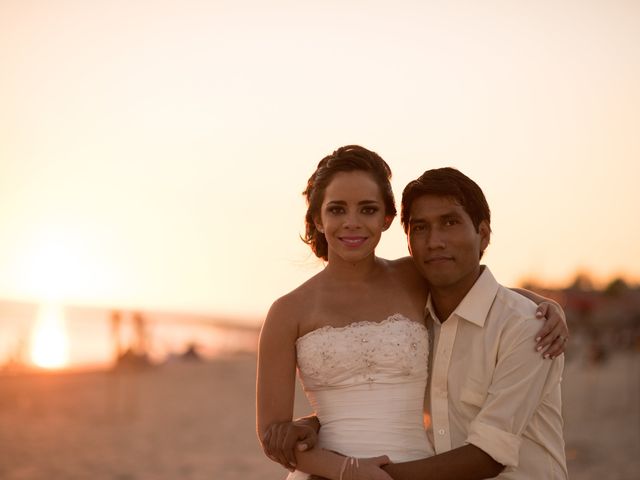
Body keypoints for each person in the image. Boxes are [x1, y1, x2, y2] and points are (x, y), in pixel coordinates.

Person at [256, 147, 568, 480]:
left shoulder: (413, 278)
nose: (352, 222)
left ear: (386, 219)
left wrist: (545, 305)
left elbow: (477, 288)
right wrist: (346, 470)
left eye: (368, 209)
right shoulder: (287, 311)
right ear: (318, 218)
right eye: (337, 209)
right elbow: (272, 434)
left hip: (417, 466)